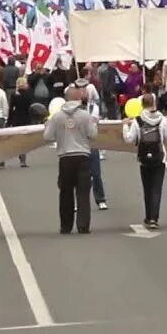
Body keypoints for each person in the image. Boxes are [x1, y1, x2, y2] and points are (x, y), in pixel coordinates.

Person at [44, 86, 99, 234]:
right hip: (82, 155)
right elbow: (93, 135)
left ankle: (66, 226)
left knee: (65, 193)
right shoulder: (85, 115)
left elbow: (47, 136)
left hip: (65, 157)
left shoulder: (57, 116)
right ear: (79, 98)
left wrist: (54, 129)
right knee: (83, 192)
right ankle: (83, 226)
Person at [123, 92, 167, 229]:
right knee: (157, 188)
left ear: (141, 105)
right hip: (160, 157)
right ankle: (154, 218)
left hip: (144, 158)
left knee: (147, 188)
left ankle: (148, 216)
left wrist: (124, 126)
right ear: (154, 103)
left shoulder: (137, 120)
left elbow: (129, 139)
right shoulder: (162, 119)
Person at [69, 78, 108, 209]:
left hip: (91, 144)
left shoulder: (93, 107)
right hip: (77, 144)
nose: (83, 93)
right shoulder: (71, 108)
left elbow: (93, 120)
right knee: (77, 175)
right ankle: (77, 201)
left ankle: (100, 199)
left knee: (96, 173)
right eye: (80, 90)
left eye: (84, 90)